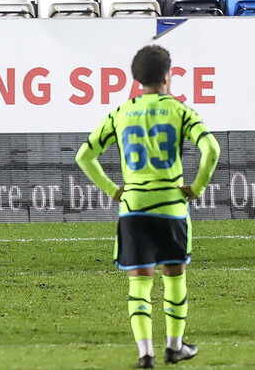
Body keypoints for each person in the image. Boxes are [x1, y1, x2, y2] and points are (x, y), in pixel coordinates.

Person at [75, 46, 220, 369]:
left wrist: (113, 190)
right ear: (168, 76)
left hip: (134, 207)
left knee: (139, 283)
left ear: (136, 79)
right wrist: (196, 188)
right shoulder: (179, 111)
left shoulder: (121, 112)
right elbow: (211, 149)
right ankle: (175, 347)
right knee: (174, 277)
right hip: (171, 206)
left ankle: (145, 355)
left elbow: (84, 156)